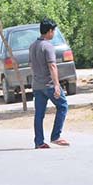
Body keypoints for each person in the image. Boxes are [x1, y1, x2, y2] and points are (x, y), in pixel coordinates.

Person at [29, 18, 70, 149]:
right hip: (49, 85)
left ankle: (39, 142)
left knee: (39, 114)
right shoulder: (47, 46)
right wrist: (57, 85)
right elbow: (52, 66)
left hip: (37, 85)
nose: (54, 33)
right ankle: (56, 136)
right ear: (49, 31)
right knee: (63, 106)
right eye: (54, 31)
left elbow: (31, 65)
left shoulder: (32, 46)